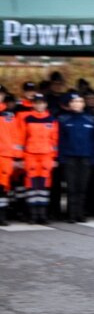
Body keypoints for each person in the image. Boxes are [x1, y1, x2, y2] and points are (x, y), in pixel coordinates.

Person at [19, 93, 59, 224]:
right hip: (30, 155)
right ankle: (33, 215)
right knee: (31, 185)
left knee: (44, 185)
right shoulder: (27, 119)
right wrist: (21, 158)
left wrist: (54, 158)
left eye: (42, 102)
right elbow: (21, 139)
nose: (39, 105)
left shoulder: (52, 120)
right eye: (37, 103)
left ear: (45, 104)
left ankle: (43, 214)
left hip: (46, 155)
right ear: (33, 104)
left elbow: (55, 141)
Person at [58, 93, 94, 223]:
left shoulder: (90, 120)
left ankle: (81, 213)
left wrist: (93, 158)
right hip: (70, 158)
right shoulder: (64, 120)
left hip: (85, 157)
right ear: (70, 104)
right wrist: (61, 159)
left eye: (79, 101)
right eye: (74, 101)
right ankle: (71, 214)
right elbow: (61, 141)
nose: (76, 104)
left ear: (83, 104)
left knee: (82, 187)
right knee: (71, 187)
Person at [0, 84, 22, 225]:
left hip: (5, 157)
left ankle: (1, 216)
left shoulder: (8, 115)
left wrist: (17, 157)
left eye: (1, 94)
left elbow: (15, 137)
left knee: (3, 188)